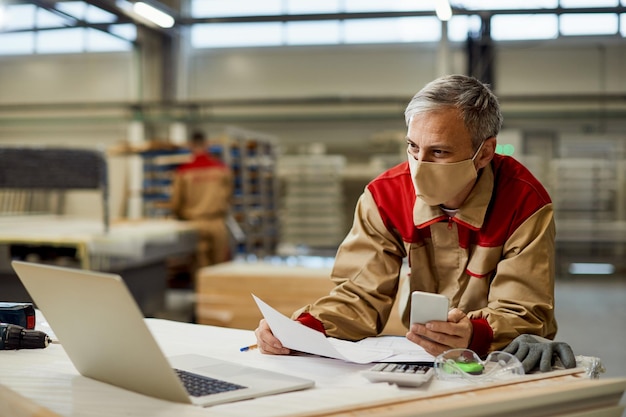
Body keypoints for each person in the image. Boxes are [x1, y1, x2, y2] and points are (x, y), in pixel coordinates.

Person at [255, 74, 558, 359]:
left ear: (485, 152)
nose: (420, 165)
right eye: (413, 147)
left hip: (495, 355)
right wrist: (303, 329)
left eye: (439, 152)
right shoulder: (385, 197)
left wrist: (475, 334)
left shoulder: (524, 202)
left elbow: (524, 309)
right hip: (420, 349)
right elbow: (360, 294)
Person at [171, 131, 233, 269]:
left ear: (190, 146)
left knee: (200, 268)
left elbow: (176, 202)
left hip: (195, 223)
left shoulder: (183, 172)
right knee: (219, 268)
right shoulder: (221, 169)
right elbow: (229, 195)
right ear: (207, 145)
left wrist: (180, 216)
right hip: (217, 222)